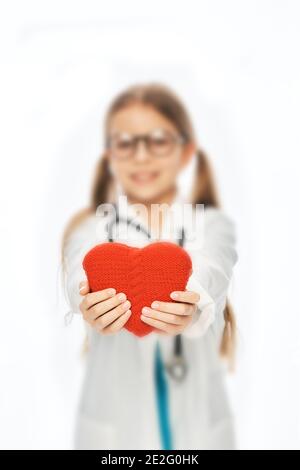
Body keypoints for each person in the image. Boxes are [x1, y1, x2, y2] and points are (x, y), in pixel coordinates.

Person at [62, 83, 238, 450]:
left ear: (186, 151)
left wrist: (192, 305)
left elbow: (212, 268)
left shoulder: (211, 225)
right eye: (125, 142)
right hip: (113, 438)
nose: (141, 156)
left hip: (198, 434)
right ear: (110, 155)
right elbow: (78, 268)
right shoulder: (93, 228)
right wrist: (88, 300)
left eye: (158, 140)